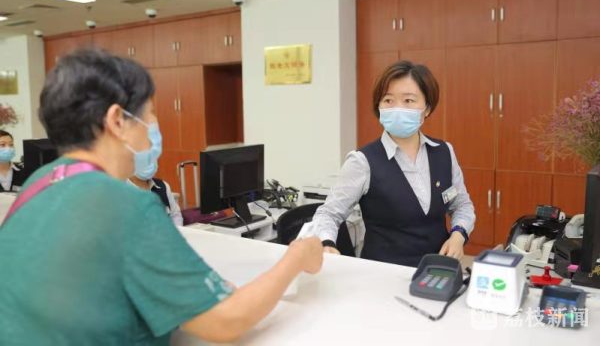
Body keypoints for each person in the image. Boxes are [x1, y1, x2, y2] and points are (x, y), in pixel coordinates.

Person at [0, 49, 323, 345]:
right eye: (150, 113)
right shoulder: (126, 205)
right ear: (117, 121)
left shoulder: (39, 182)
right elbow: (226, 321)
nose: (154, 125)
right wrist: (294, 259)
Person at [311, 60, 475, 267]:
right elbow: (328, 213)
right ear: (379, 107)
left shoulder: (444, 152)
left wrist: (458, 234)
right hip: (383, 274)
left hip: (436, 270)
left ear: (427, 108)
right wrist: (326, 243)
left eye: (408, 100)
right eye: (388, 100)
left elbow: (462, 205)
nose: (398, 108)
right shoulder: (362, 161)